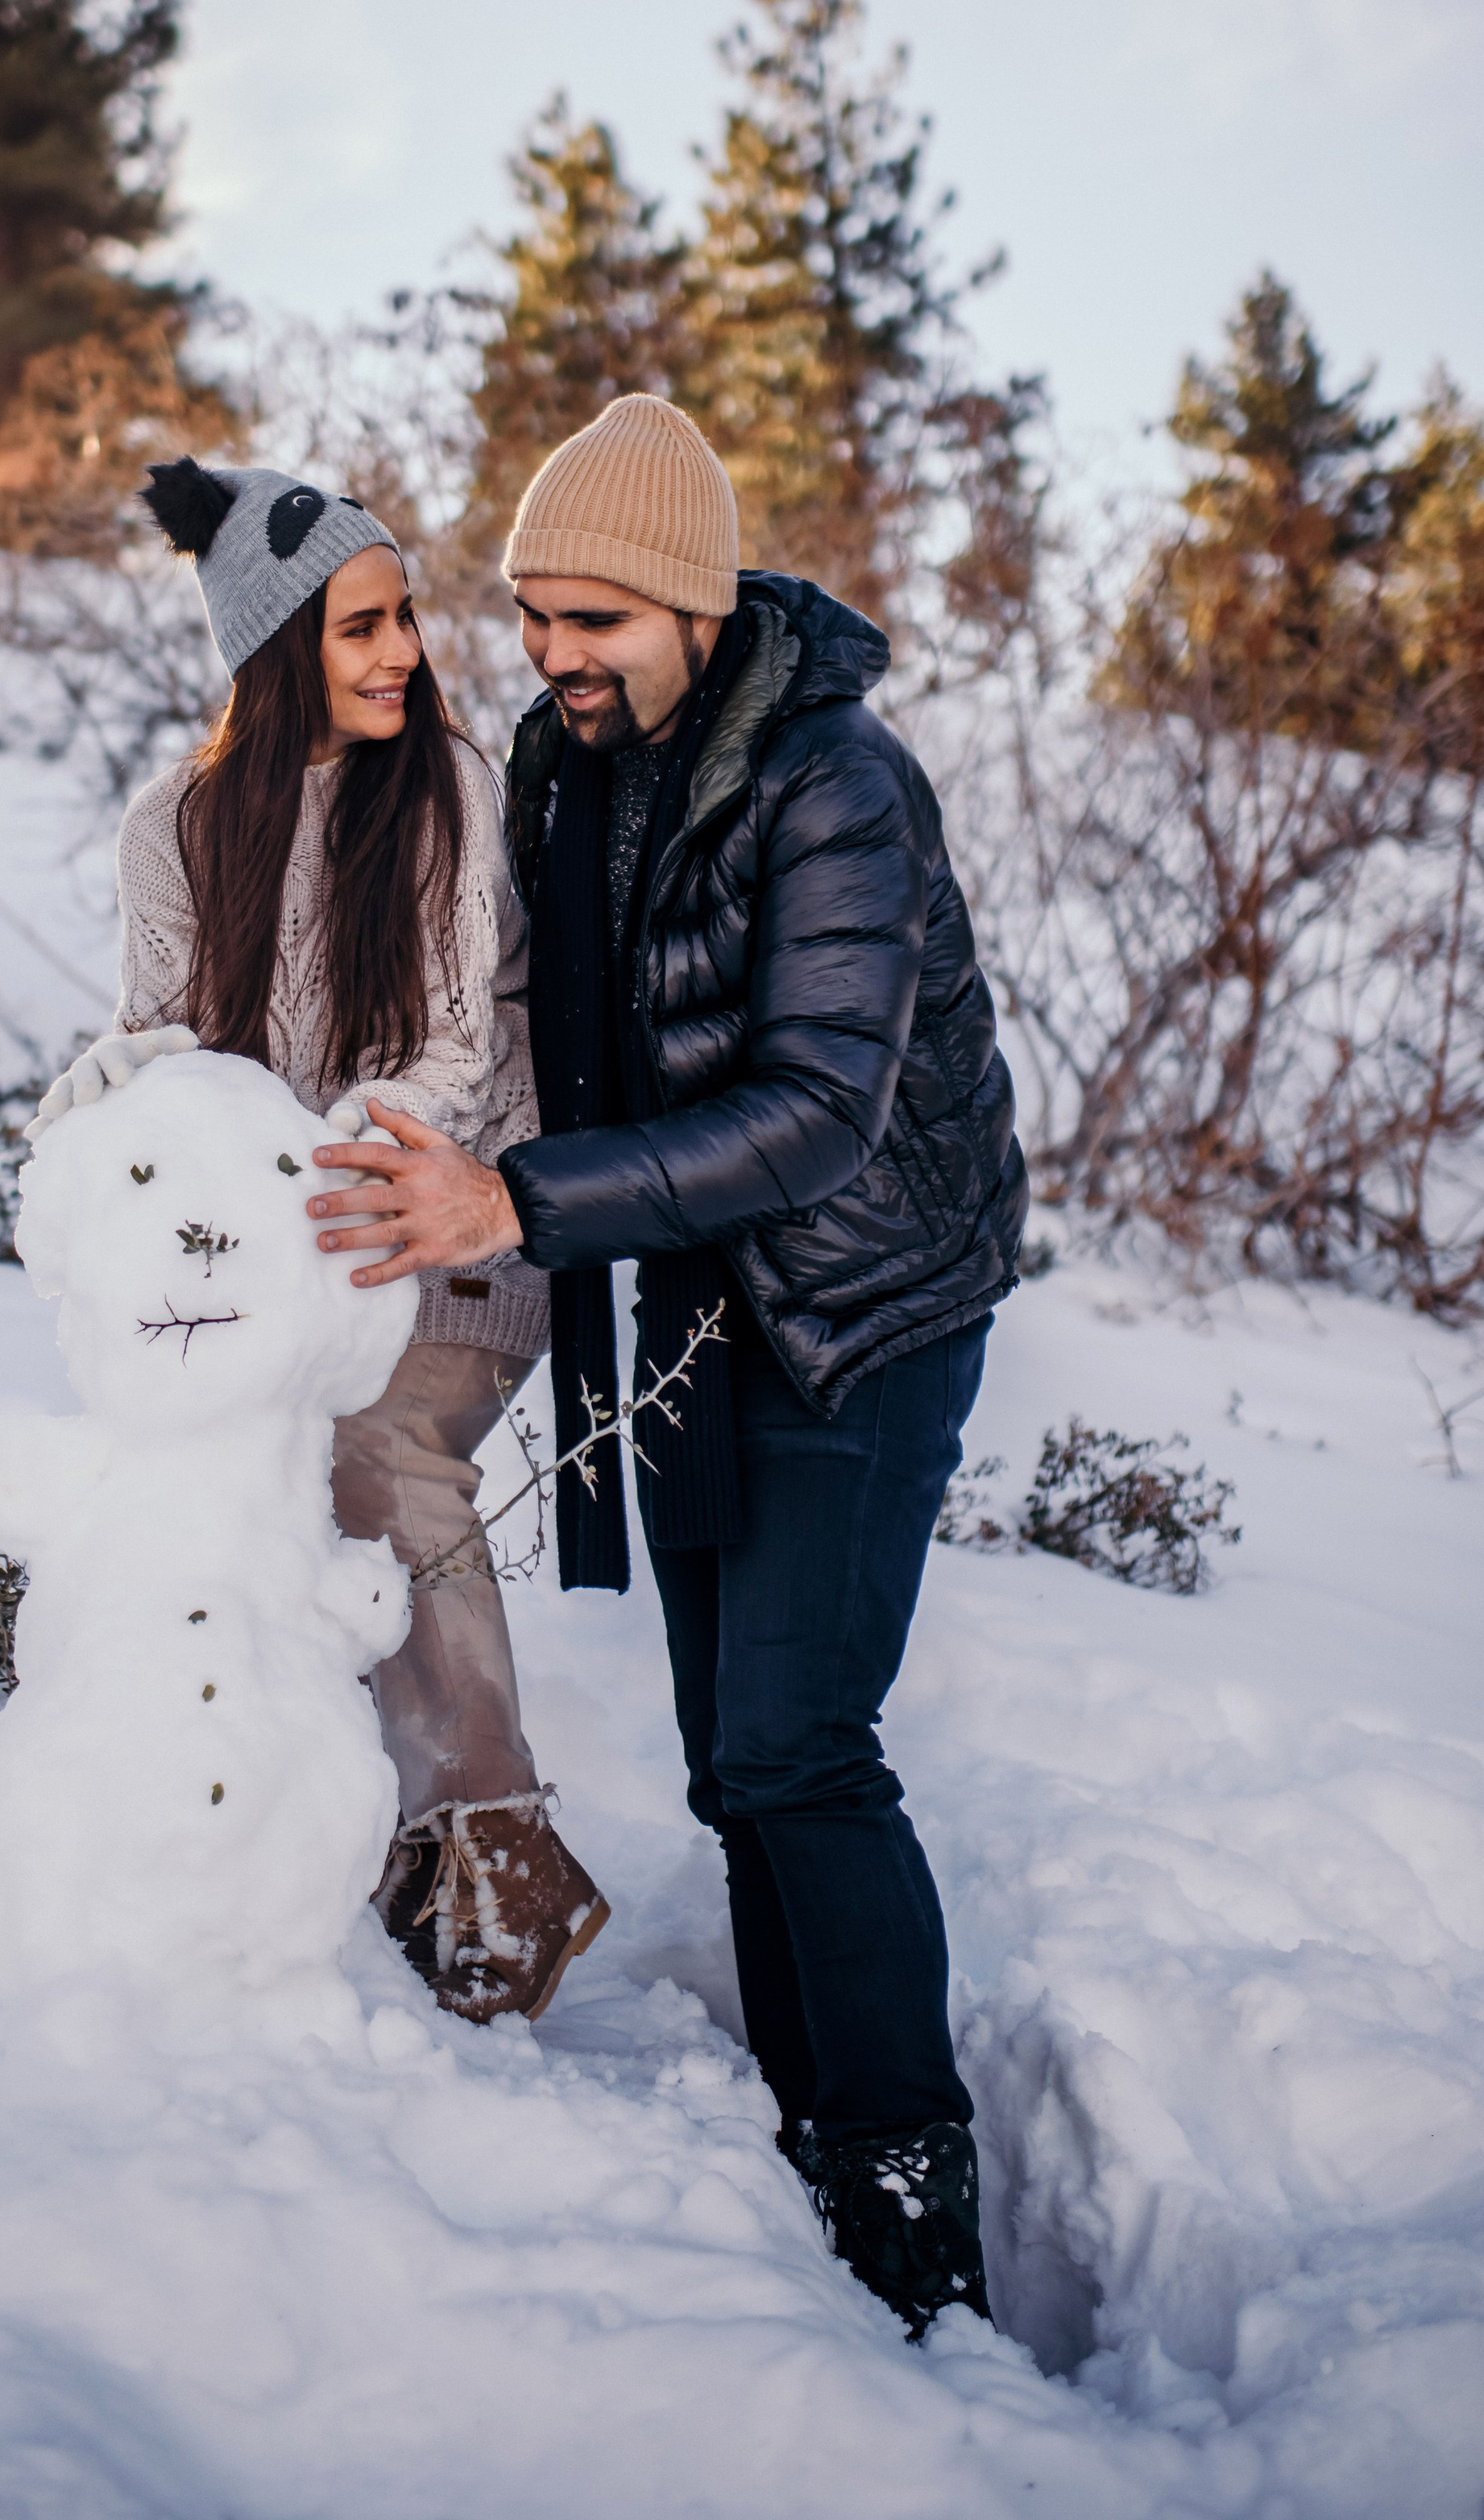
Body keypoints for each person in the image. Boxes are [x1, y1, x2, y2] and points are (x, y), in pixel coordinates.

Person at [302, 396, 1028, 2338]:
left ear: (695, 608)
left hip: (867, 1295)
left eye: (594, 618)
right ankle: (811, 2124)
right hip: (700, 1283)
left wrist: (511, 1205)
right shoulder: (564, 755)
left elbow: (813, 1110)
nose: (551, 653)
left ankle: (902, 2186)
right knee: (735, 1759)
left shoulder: (833, 783)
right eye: (532, 613)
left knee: (801, 1744)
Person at [28, 455, 610, 2027]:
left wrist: (285, 1197)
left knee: (374, 1442)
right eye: (359, 626)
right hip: (291, 1254)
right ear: (274, 649)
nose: (399, 653)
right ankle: (245, 1820)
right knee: (216, 1459)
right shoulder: (175, 826)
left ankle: (492, 1854)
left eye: (403, 616)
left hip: (453, 1226)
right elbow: (164, 1040)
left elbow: (436, 1060)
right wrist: (114, 1112)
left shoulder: (449, 787)